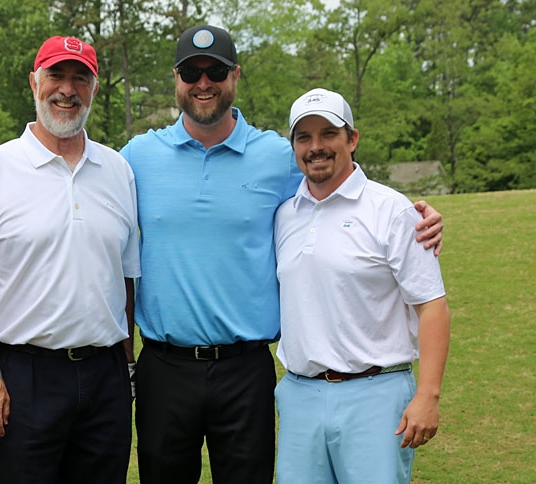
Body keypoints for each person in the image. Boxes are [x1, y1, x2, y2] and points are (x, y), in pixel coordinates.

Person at [119, 25, 444, 484]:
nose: (204, 82)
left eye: (216, 70)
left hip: (247, 368)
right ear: (176, 79)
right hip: (164, 367)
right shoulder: (137, 157)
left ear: (236, 76)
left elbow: (338, 187)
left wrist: (416, 215)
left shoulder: (276, 155)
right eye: (191, 71)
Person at [0, 36, 140, 484]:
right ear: (34, 81)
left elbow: (127, 279)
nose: (67, 89)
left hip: (106, 376)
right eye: (56, 75)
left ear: (95, 88)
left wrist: (127, 366)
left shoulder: (119, 171)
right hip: (23, 377)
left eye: (81, 78)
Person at [273, 88, 450, 483]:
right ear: (294, 146)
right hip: (300, 394)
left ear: (352, 138)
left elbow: (432, 305)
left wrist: (428, 395)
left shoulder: (393, 210)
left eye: (328, 134)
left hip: (376, 393)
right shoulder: (284, 214)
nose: (316, 147)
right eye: (304, 137)